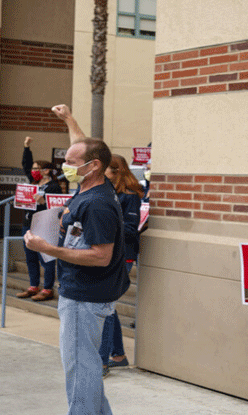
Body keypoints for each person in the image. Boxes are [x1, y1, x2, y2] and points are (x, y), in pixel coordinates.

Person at [24, 104, 130, 415]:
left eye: (71, 163)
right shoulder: (93, 183)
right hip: (84, 293)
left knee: (81, 370)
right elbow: (87, 148)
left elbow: (101, 256)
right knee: (86, 367)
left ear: (93, 167)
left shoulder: (97, 203)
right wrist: (69, 119)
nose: (65, 167)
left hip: (84, 297)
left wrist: (49, 248)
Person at [100, 154, 143, 375]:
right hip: (108, 254)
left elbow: (131, 229)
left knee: (105, 306)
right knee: (107, 307)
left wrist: (106, 223)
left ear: (116, 170)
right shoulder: (107, 193)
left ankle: (103, 362)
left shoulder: (129, 196)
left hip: (122, 256)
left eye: (105, 169)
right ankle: (118, 355)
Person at [16, 137, 62, 301]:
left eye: (37, 168)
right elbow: (26, 165)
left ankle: (48, 288)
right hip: (29, 224)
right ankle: (33, 286)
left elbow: (57, 207)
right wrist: (26, 147)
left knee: (46, 258)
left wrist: (44, 202)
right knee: (30, 257)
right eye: (34, 168)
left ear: (47, 170)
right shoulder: (33, 182)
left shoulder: (54, 187)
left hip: (44, 225)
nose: (34, 171)